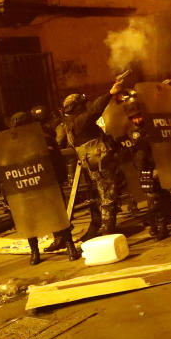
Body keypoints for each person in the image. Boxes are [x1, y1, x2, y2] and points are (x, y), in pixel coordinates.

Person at [56, 76, 126, 240]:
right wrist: (110, 93)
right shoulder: (81, 121)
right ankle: (108, 232)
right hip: (101, 163)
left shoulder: (68, 124)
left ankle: (104, 226)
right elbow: (95, 110)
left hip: (93, 164)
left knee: (105, 194)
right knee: (107, 196)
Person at [7, 112, 80, 265]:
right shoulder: (17, 143)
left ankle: (62, 247)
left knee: (50, 217)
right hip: (35, 185)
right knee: (33, 219)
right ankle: (44, 250)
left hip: (40, 184)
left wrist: (58, 179)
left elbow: (56, 160)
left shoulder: (41, 139)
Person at [122, 91, 171, 240]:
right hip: (149, 169)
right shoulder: (132, 131)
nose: (137, 120)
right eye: (134, 118)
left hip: (165, 165)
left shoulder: (155, 125)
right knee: (155, 203)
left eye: (139, 116)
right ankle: (162, 228)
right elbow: (137, 154)